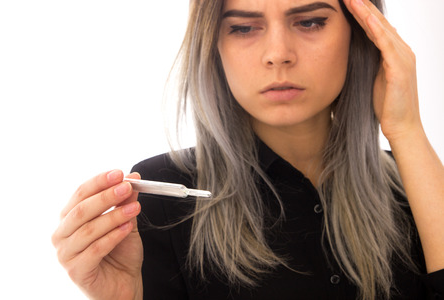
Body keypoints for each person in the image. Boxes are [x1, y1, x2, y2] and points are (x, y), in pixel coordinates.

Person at [52, 0, 444, 299]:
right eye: (243, 28)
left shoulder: (417, 184)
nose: (278, 53)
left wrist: (406, 130)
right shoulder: (161, 197)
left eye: (310, 22)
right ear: (214, 44)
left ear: (363, 34)